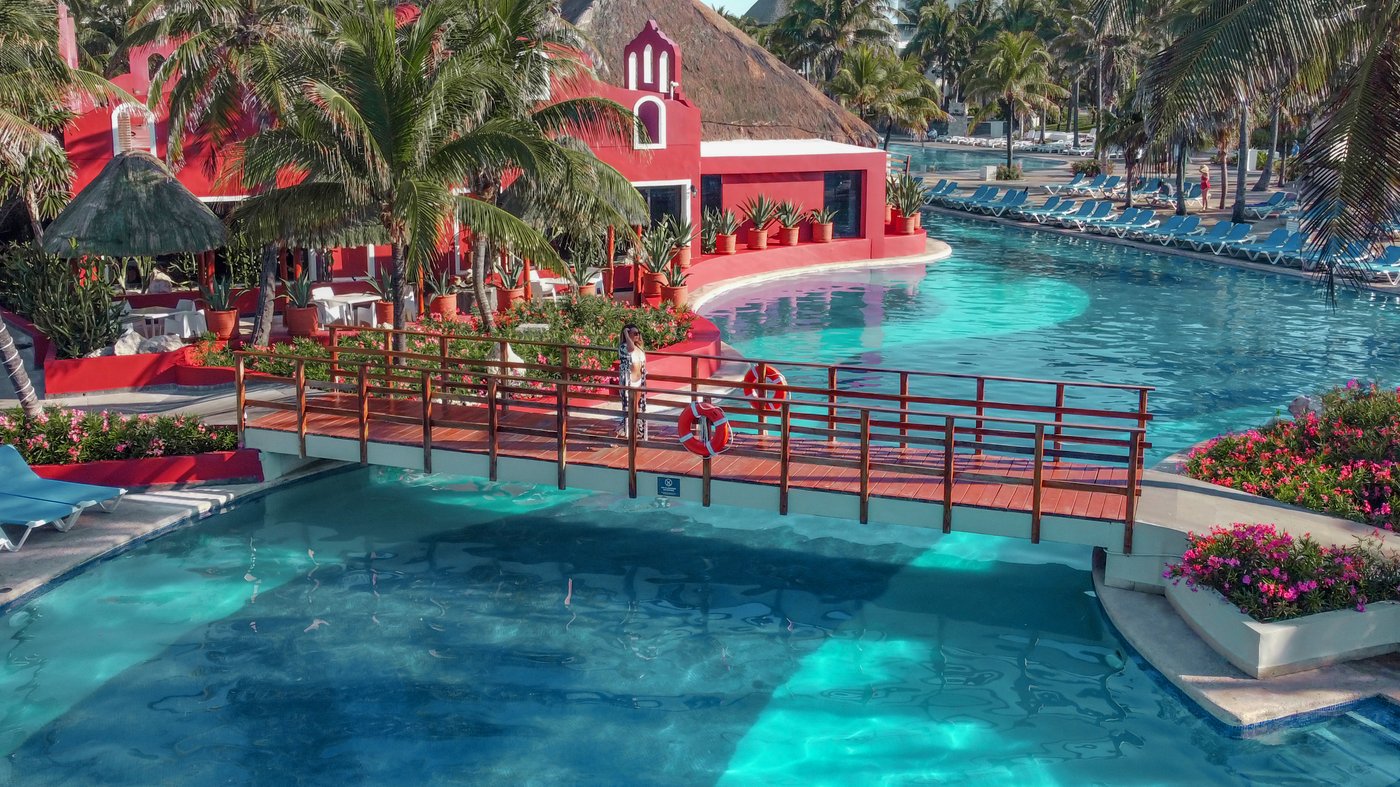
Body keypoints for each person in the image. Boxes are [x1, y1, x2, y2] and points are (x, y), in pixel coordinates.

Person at [616, 323, 647, 438]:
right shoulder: (624, 347)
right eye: (634, 333)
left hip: (638, 381)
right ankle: (621, 430)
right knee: (628, 407)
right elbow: (630, 349)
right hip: (628, 381)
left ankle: (635, 430)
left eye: (638, 333)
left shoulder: (639, 348)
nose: (637, 336)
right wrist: (625, 333)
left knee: (637, 407)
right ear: (628, 335)